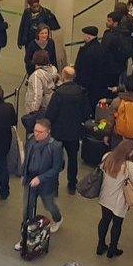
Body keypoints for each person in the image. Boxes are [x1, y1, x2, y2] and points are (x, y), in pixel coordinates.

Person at [16, 119, 63, 251]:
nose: (36, 134)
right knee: (26, 209)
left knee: (49, 205)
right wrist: (24, 174)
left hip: (46, 184)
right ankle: (25, 237)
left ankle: (58, 218)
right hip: (30, 181)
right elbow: (27, 159)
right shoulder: (31, 140)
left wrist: (40, 178)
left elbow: (56, 168)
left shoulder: (55, 146)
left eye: (40, 132)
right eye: (35, 130)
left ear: (48, 132)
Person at [45, 67, 89, 195]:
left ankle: (54, 187)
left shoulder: (59, 93)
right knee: (73, 158)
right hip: (74, 132)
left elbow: (50, 114)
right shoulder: (81, 92)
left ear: (63, 76)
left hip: (58, 132)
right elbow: (86, 112)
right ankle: (72, 184)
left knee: (56, 159)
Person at [96, 139, 133, 258]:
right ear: (129, 151)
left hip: (105, 195)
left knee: (104, 220)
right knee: (117, 224)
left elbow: (101, 168)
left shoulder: (107, 156)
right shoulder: (128, 165)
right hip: (119, 200)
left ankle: (100, 245)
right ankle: (112, 249)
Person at [74, 26, 108, 110]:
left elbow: (84, 70)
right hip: (97, 84)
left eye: (84, 35)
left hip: (88, 86)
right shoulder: (99, 47)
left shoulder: (88, 51)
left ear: (88, 36)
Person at [23, 51, 58, 131]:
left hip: (38, 109)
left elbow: (37, 94)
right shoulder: (53, 70)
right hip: (48, 104)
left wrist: (32, 112)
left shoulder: (37, 75)